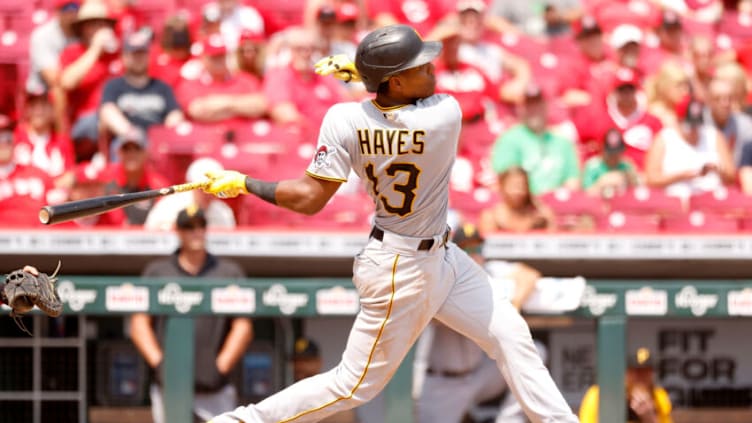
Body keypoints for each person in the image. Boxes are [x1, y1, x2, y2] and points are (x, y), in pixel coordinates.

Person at [203, 24, 578, 423]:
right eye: (419, 66)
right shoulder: (443, 114)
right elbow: (408, 100)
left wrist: (245, 183)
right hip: (402, 267)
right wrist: (362, 72)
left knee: (510, 334)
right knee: (352, 384)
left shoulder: (343, 118)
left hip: (439, 256)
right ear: (396, 82)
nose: (432, 67)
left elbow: (308, 198)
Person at [130, 206, 253, 423]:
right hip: (170, 388)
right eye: (189, 227)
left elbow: (242, 326)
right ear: (177, 231)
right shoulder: (158, 271)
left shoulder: (227, 272)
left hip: (215, 388)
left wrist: (220, 366)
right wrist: (160, 364)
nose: (196, 232)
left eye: (201, 226)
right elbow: (139, 323)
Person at [413, 223, 543, 423]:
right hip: (443, 384)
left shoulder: (487, 271)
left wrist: (515, 305)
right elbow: (436, 319)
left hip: (479, 377)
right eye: (467, 249)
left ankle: (509, 420)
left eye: (478, 249)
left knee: (535, 351)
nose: (474, 255)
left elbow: (529, 274)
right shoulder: (441, 273)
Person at [99, 29, 185, 160]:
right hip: (127, 141)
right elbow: (108, 111)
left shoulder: (162, 87)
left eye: (142, 53)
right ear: (125, 57)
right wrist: (131, 134)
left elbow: (175, 114)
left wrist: (163, 135)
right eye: (134, 54)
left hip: (158, 141)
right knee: (124, 147)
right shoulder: (114, 86)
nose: (138, 58)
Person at [59, 0, 122, 160]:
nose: (99, 29)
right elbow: (67, 82)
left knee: (123, 142)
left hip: (118, 120)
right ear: (82, 28)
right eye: (92, 24)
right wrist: (95, 50)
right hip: (85, 123)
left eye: (102, 24)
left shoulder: (118, 56)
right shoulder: (72, 52)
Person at [491, 84, 581, 195]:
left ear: (546, 106)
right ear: (520, 109)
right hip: (524, 206)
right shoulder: (508, 140)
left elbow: (572, 183)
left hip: (557, 205)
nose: (533, 110)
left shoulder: (563, 142)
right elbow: (507, 184)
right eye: (529, 105)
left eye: (537, 105)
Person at [645, 98, 736, 198]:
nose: (694, 129)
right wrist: (683, 175)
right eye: (690, 125)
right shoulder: (664, 139)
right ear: (679, 120)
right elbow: (652, 179)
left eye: (697, 124)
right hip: (675, 199)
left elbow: (731, 176)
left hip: (712, 197)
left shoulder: (714, 136)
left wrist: (716, 169)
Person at [578, 347, 674, 423]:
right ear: (625, 374)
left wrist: (649, 418)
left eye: (646, 372)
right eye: (636, 372)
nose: (641, 377)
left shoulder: (659, 396)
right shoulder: (599, 394)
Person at [99, 128, 170, 225]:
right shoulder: (106, 178)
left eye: (137, 149)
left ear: (146, 152)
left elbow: (164, 217)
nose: (131, 154)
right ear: (118, 152)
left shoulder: (159, 184)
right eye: (126, 149)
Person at [144, 157, 237, 231]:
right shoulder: (170, 206)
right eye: (202, 188)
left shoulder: (223, 213)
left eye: (213, 188)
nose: (207, 193)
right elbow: (148, 235)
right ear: (190, 186)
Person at [478, 166, 557, 233]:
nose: (518, 191)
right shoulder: (491, 217)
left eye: (522, 185)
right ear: (502, 186)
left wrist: (545, 219)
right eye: (513, 186)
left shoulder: (540, 215)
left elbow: (553, 240)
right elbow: (486, 246)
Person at [582, 129, 640, 198]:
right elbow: (584, 195)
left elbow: (638, 190)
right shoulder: (592, 166)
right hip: (599, 205)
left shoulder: (626, 165)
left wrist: (632, 180)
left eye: (616, 153)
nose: (613, 157)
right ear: (602, 148)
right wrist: (601, 183)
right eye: (610, 153)